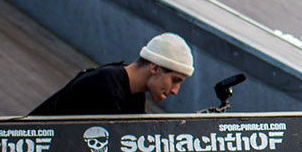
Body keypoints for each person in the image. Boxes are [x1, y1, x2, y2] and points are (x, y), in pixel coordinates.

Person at [32, 32, 195, 116]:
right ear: (154, 68)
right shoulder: (105, 87)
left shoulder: (132, 92)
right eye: (175, 80)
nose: (175, 90)